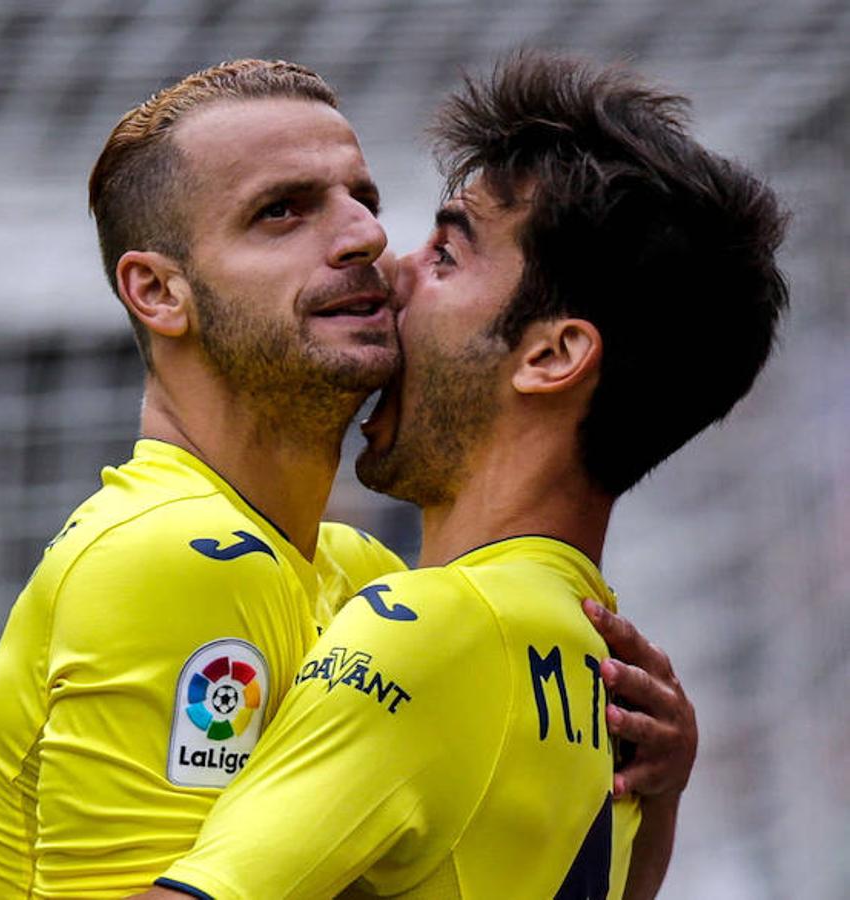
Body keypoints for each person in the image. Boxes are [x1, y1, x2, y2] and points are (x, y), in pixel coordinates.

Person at [0, 60, 695, 896]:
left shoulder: (366, 580)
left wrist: (657, 793)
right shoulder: (178, 556)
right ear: (159, 292)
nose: (366, 239)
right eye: (282, 212)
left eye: (365, 200)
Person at [137, 52, 787, 899]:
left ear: (552, 356)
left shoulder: (430, 632)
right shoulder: (600, 673)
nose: (388, 267)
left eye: (446, 255)